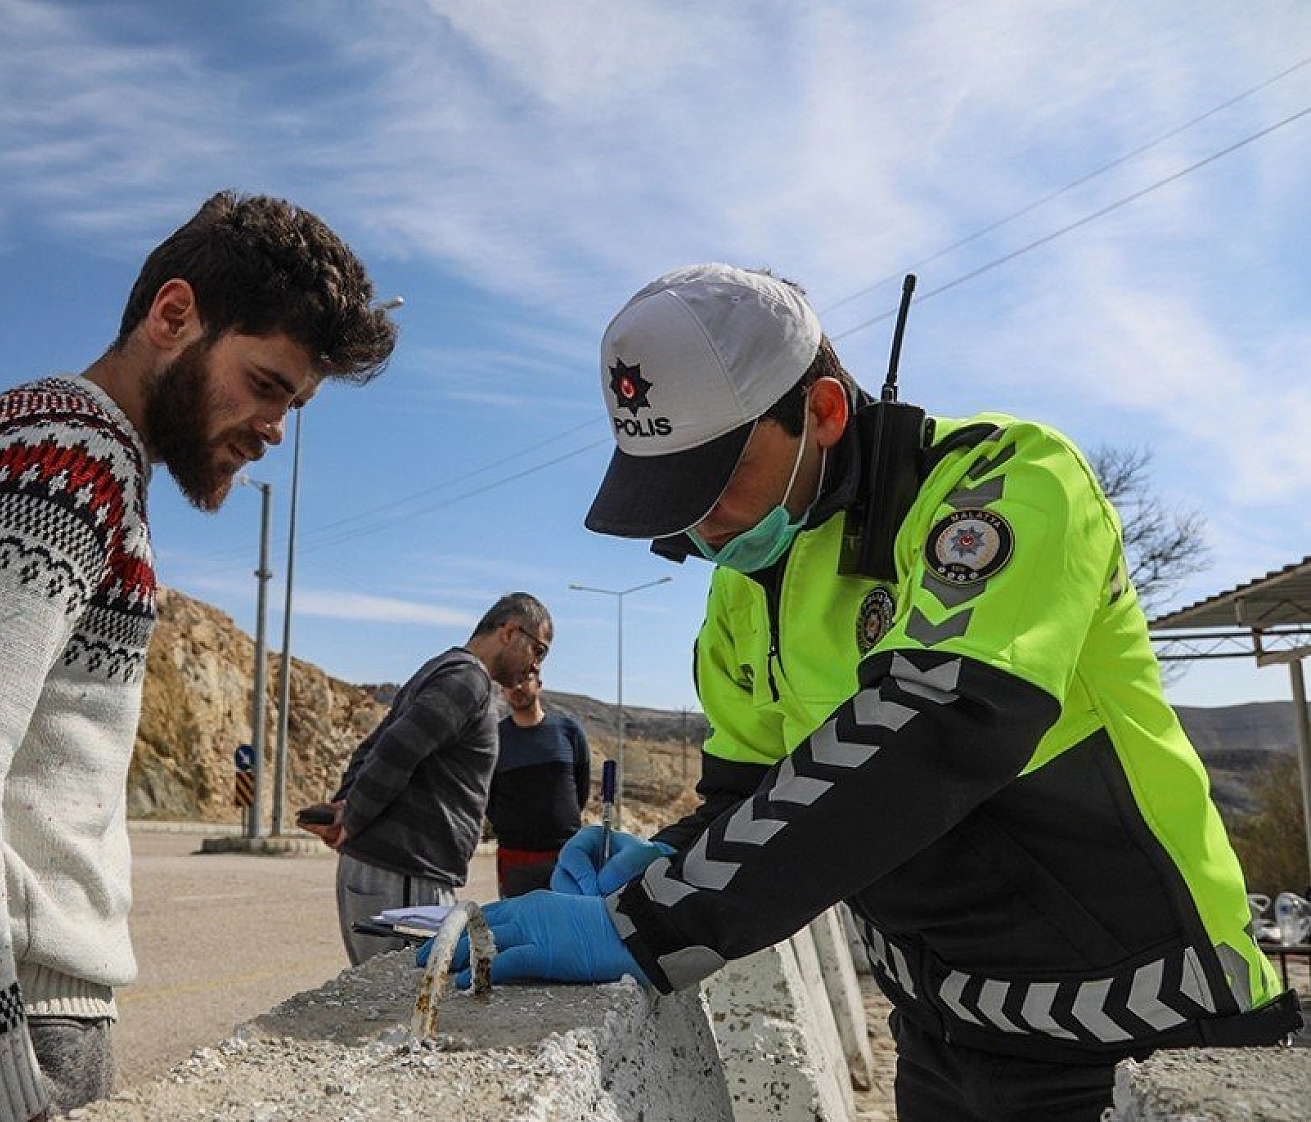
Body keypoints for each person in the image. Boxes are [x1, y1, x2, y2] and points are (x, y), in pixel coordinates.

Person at [433, 264, 1300, 1121]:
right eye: (669, 498)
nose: (700, 530)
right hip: (941, 1029)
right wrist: (666, 857)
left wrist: (651, 923)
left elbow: (937, 727)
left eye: (714, 482)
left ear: (822, 412)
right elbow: (756, 796)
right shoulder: (744, 588)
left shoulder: (1006, 482)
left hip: (1140, 1029)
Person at [0, 191, 397, 1122]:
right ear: (173, 315)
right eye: (268, 384)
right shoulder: (71, 461)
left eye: (296, 404)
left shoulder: (32, 432)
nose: (276, 429)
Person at [304, 593, 552, 964]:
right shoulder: (469, 680)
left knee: (396, 1003)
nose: (535, 667)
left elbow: (374, 745)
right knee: (405, 1003)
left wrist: (346, 810)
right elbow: (396, 748)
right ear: (510, 631)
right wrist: (351, 818)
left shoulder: (444, 669)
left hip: (393, 872)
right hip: (405, 876)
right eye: (539, 650)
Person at [485, 673, 591, 898]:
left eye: (524, 679)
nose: (517, 687)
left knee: (566, 926)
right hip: (515, 858)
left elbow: (581, 788)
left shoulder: (569, 731)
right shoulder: (495, 738)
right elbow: (488, 794)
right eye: (509, 683)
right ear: (503, 692)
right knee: (517, 926)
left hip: (564, 854)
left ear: (539, 685)